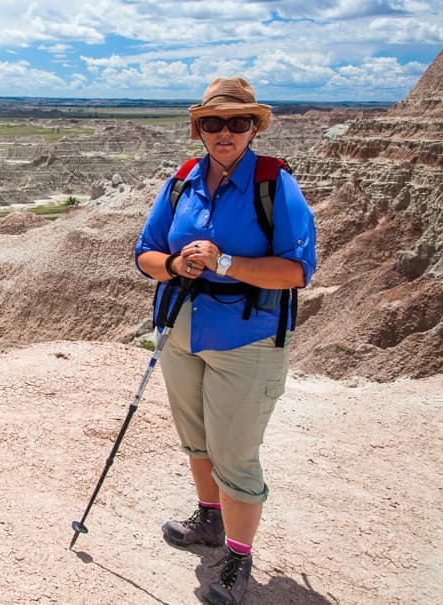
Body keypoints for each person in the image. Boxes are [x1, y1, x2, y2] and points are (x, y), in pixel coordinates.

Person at [134, 77, 316, 605]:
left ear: (254, 127)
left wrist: (226, 262)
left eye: (239, 122)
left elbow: (297, 271)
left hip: (248, 337)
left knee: (234, 452)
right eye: (213, 123)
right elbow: (144, 252)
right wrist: (174, 262)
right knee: (196, 437)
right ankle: (209, 520)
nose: (225, 132)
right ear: (199, 130)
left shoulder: (273, 183)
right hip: (182, 326)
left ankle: (238, 557)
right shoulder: (182, 180)